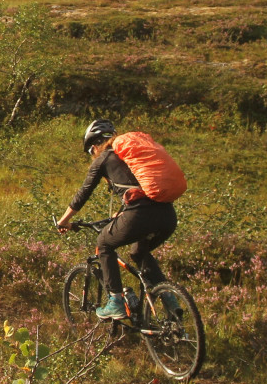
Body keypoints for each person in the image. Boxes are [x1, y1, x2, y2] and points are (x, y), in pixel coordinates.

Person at [55, 119, 180, 319]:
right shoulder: (130, 158)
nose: (91, 155)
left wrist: (63, 221)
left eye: (90, 151)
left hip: (140, 214)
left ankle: (115, 301)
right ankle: (171, 301)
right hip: (167, 215)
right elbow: (137, 189)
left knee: (103, 243)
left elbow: (83, 193)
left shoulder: (103, 157)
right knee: (139, 252)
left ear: (94, 145)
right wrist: (123, 213)